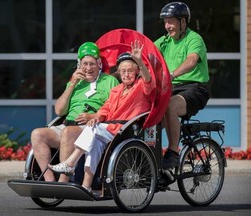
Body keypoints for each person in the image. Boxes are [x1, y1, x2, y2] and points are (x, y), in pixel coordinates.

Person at [48, 40, 155, 193]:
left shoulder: (140, 86)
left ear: (136, 71)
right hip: (110, 129)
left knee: (93, 129)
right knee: (94, 146)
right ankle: (86, 186)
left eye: (130, 70)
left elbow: (148, 81)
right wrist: (96, 116)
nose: (126, 74)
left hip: (126, 130)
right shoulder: (116, 90)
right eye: (122, 71)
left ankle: (70, 163)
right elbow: (105, 108)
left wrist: (139, 62)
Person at [31, 42, 119, 182]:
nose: (88, 68)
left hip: (90, 127)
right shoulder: (75, 83)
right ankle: (49, 180)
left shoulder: (110, 81)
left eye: (92, 64)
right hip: (67, 126)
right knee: (37, 134)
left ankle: (63, 180)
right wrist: (72, 83)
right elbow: (60, 111)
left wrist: (95, 115)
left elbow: (117, 109)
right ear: (79, 65)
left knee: (68, 132)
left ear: (99, 63)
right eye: (84, 64)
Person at [154, 2, 210, 169]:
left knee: (170, 106)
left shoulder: (194, 39)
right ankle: (152, 159)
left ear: (183, 21)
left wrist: (172, 75)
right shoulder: (165, 41)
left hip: (195, 88)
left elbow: (191, 60)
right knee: (150, 116)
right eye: (165, 21)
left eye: (171, 21)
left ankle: (173, 153)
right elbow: (145, 52)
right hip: (171, 88)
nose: (167, 26)